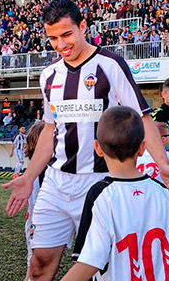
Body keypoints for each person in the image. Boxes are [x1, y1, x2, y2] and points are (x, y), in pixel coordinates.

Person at [3, 0, 169, 281]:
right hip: (56, 182)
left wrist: (164, 166)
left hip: (99, 183)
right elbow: (49, 130)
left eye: (66, 34)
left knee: (98, 269)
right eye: (53, 38)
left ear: (83, 26)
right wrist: (30, 176)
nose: (60, 44)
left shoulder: (110, 65)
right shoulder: (49, 75)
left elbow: (143, 118)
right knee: (39, 263)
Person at [62, 106, 169, 281]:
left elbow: (90, 260)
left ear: (97, 148)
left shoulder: (100, 195)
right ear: (142, 148)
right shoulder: (163, 192)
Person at [24, 122, 45, 281]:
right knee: (35, 261)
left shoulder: (53, 169)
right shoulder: (35, 170)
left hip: (40, 221)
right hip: (36, 222)